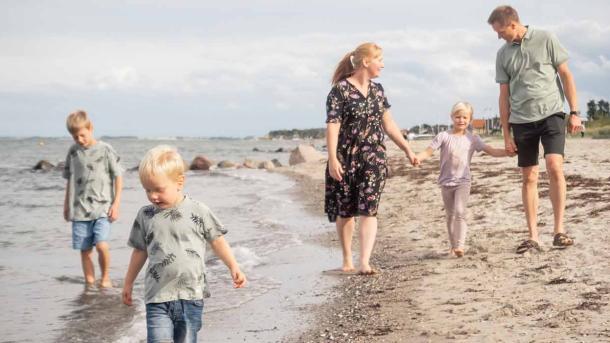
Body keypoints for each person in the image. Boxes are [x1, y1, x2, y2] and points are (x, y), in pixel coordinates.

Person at [122, 145, 246, 343]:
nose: (153, 196)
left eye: (159, 189)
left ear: (179, 182)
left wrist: (233, 266)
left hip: (190, 295)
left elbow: (217, 240)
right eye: (147, 190)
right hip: (157, 297)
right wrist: (128, 282)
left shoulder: (198, 211)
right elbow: (139, 251)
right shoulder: (145, 215)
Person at [488, 5, 582, 254]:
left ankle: (559, 230)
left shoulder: (546, 38)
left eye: (500, 31)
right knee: (529, 176)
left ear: (512, 24)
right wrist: (506, 135)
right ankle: (533, 237)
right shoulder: (502, 54)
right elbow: (503, 95)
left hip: (552, 114)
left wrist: (574, 112)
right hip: (521, 120)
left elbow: (566, 75)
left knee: (554, 166)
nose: (498, 36)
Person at [325, 42, 418, 275]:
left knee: (369, 208)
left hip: (373, 157)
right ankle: (347, 259)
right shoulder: (340, 91)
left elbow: (389, 124)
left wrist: (407, 148)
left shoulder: (378, 90)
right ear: (366, 62)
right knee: (346, 210)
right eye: (380, 59)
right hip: (345, 158)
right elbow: (333, 126)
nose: (383, 64)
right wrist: (332, 158)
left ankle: (364, 261)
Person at [415, 102, 507, 257]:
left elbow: (490, 150)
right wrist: (418, 158)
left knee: (460, 211)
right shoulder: (443, 136)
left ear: (470, 119)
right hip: (446, 182)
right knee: (450, 215)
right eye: (458, 117)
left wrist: (507, 152)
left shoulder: (473, 139)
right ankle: (453, 246)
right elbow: (428, 152)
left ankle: (460, 246)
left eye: (465, 117)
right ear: (452, 117)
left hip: (463, 182)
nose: (461, 120)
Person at [63, 110, 123, 288]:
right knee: (85, 250)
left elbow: (118, 176)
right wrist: (66, 205)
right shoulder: (74, 152)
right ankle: (90, 283)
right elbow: (69, 179)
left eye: (82, 135)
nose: (80, 140)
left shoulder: (105, 150)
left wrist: (116, 203)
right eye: (75, 137)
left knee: (101, 244)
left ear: (90, 128)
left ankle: (105, 278)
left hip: (103, 208)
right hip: (79, 210)